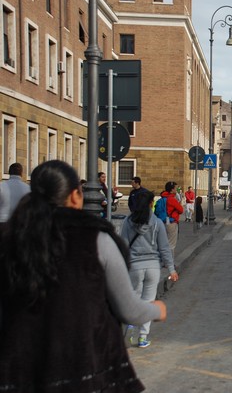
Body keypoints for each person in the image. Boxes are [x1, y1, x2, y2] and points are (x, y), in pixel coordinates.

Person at [0, 160, 166, 392]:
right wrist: (157, 310)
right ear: (76, 196)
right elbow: (129, 309)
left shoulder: (9, 240)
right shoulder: (96, 240)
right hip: (84, 370)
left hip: (19, 372)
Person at [121, 190, 179, 347]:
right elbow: (165, 248)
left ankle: (130, 327)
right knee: (148, 301)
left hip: (134, 266)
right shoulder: (157, 222)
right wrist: (172, 269)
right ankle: (142, 337)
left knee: (133, 298)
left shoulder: (127, 221)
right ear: (150, 203)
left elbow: (123, 245)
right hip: (153, 267)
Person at [158, 181, 184, 253]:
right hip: (171, 222)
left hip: (162, 221)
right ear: (172, 190)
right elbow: (181, 210)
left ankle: (163, 261)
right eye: (175, 188)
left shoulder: (162, 198)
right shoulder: (172, 199)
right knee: (171, 244)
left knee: (163, 242)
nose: (176, 190)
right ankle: (169, 263)